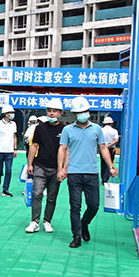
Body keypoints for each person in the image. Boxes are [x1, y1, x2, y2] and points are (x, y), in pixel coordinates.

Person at [57, 96, 117, 248]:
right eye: (79, 112)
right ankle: (76, 236)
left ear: (89, 111)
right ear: (74, 114)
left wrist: (111, 166)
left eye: (85, 111)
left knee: (94, 205)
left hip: (92, 173)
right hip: (74, 173)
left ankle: (84, 223)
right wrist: (61, 169)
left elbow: (103, 148)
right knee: (75, 206)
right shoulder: (67, 130)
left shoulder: (96, 129)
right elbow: (62, 149)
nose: (83, 114)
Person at [25, 99, 65, 233]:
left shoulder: (64, 129)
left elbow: (66, 149)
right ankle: (34, 221)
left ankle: (47, 221)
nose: (51, 113)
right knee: (37, 194)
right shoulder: (40, 128)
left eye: (55, 111)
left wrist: (63, 168)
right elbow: (34, 146)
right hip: (40, 166)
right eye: (49, 111)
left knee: (52, 197)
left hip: (56, 168)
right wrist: (30, 164)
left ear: (60, 113)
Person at [0, 105, 18, 197]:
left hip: (10, 151)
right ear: (6, 114)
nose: (12, 114)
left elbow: (14, 136)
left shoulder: (13, 124)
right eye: (10, 113)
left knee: (9, 170)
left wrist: (15, 149)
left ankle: (6, 189)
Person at [101, 116, 120, 184]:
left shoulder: (101, 130)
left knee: (103, 163)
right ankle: (106, 178)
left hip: (102, 149)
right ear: (111, 123)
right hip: (111, 149)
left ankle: (103, 177)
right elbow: (116, 140)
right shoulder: (114, 131)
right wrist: (109, 145)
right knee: (109, 163)